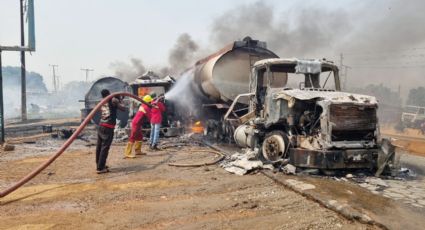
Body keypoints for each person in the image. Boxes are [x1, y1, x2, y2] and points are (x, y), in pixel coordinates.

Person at [96, 89, 126, 174]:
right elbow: (123, 108)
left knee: (99, 147)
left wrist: (118, 100)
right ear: (109, 94)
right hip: (108, 127)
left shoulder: (102, 101)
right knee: (105, 147)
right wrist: (120, 100)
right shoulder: (112, 99)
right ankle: (100, 168)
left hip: (101, 125)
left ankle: (99, 165)